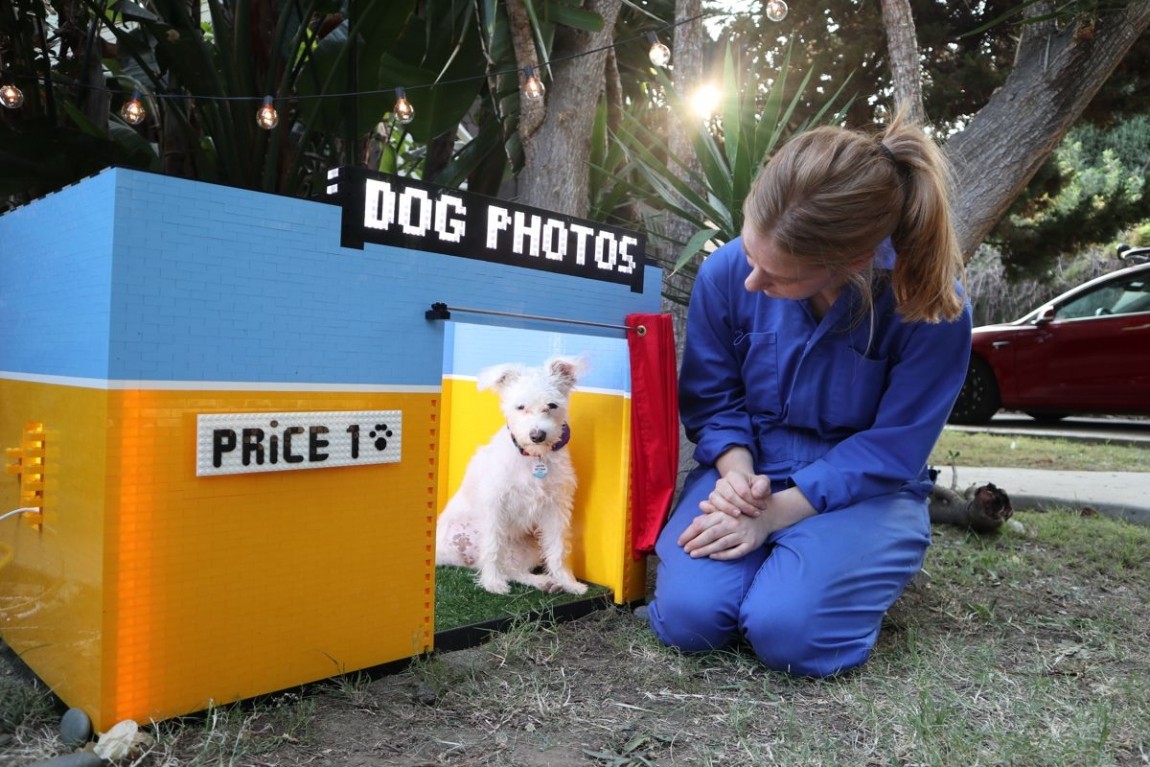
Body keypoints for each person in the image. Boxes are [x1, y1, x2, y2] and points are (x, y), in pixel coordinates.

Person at [646, 113, 972, 678]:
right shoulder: (725, 272)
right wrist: (737, 480)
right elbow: (714, 399)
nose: (752, 283)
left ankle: (828, 570)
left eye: (777, 277)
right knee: (689, 619)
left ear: (853, 263)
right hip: (750, 473)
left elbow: (893, 449)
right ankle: (789, 569)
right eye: (750, 256)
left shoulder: (931, 309)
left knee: (788, 634)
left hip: (867, 491)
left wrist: (776, 515)